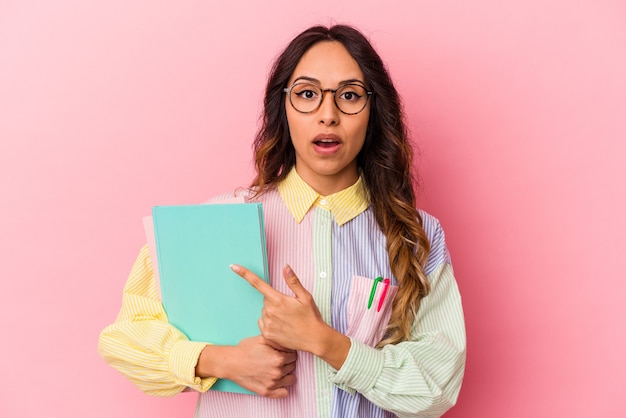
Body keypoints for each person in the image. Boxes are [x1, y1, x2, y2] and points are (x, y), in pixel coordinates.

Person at [98, 24, 466, 418]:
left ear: (374, 111)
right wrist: (220, 361)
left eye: (349, 96)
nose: (328, 115)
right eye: (307, 94)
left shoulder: (417, 235)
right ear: (284, 107)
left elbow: (438, 384)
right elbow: (125, 339)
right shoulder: (213, 222)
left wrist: (328, 343)